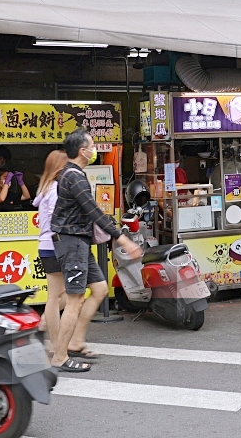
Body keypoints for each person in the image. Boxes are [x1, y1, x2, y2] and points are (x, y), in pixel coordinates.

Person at [50, 129, 142, 373]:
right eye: (91, 146)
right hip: (72, 242)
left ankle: (77, 341)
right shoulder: (74, 177)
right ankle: (60, 356)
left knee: (100, 289)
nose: (94, 150)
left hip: (78, 241)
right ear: (82, 151)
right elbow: (93, 211)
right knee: (75, 299)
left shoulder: (73, 174)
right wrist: (123, 240)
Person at [32, 150, 67, 346]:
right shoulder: (54, 190)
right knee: (59, 297)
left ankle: (45, 322)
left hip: (46, 246)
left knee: (59, 295)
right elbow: (57, 219)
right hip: (56, 245)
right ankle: (55, 341)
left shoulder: (45, 189)